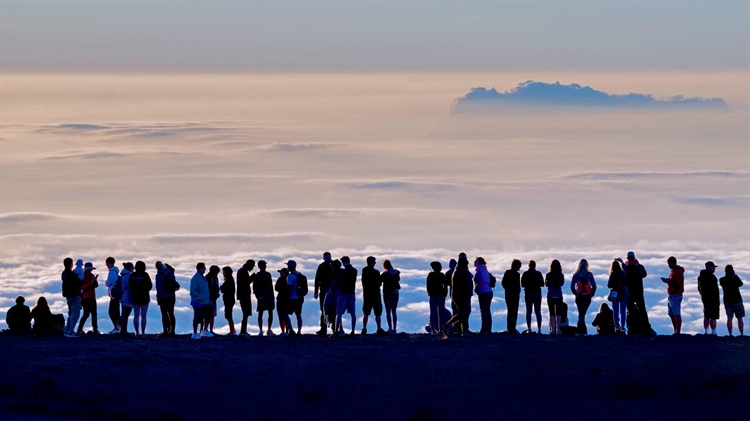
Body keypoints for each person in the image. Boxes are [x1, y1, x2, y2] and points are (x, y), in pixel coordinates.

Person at [621, 251, 651, 334]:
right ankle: (646, 327)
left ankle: (631, 328)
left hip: (629, 292)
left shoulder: (625, 268)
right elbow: (644, 274)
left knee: (630, 310)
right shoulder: (639, 267)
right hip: (638, 291)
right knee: (642, 309)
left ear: (627, 258)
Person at [446, 253, 474, 337]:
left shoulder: (459, 269)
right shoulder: (461, 270)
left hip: (460, 294)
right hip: (461, 295)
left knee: (462, 312)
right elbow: (464, 283)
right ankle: (463, 330)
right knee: (463, 312)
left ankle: (462, 329)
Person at [570, 259, 597, 335]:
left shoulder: (575, 275)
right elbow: (594, 286)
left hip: (579, 297)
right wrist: (591, 294)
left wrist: (576, 293)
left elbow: (572, 286)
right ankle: (583, 331)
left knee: (581, 313)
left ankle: (580, 331)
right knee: (583, 314)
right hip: (587, 297)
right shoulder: (589, 274)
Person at [660, 256, 684, 335]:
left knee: (676, 314)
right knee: (671, 314)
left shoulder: (678, 272)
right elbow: (673, 281)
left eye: (669, 264)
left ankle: (678, 331)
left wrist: (668, 282)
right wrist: (668, 280)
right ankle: (675, 330)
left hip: (676, 295)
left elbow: (678, 285)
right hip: (671, 295)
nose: (668, 266)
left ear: (673, 263)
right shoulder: (673, 271)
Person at [361, 256, 385, 335]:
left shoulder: (364, 270)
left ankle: (364, 328)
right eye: (374, 262)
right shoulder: (376, 272)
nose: (375, 263)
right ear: (371, 262)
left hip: (367, 294)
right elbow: (379, 283)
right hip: (376, 295)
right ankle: (379, 328)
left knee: (366, 313)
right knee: (377, 313)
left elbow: (363, 282)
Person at [129, 261, 153, 337]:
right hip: (144, 297)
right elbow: (150, 285)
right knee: (143, 315)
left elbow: (130, 286)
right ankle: (143, 332)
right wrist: (145, 290)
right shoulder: (145, 275)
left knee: (136, 315)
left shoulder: (133, 275)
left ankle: (137, 332)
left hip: (135, 297)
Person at [335, 256, 358, 336]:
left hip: (343, 293)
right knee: (353, 314)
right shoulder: (354, 271)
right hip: (352, 293)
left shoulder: (342, 272)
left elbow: (338, 281)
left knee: (339, 313)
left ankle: (336, 331)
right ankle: (353, 331)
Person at [720, 264, 744, 336]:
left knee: (729, 318)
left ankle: (730, 334)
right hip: (737, 300)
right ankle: (741, 334)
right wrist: (735, 275)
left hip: (727, 301)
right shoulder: (735, 279)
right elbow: (741, 284)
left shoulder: (722, 280)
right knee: (740, 318)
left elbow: (722, 284)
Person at [155, 261, 179, 337]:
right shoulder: (170, 273)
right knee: (171, 313)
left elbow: (159, 288)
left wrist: (158, 297)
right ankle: (172, 331)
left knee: (164, 314)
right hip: (172, 296)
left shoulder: (159, 275)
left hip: (163, 297)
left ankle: (166, 331)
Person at [61, 257, 82, 337]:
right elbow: (78, 283)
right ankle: (70, 331)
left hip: (68, 295)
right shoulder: (72, 274)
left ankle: (68, 329)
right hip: (74, 295)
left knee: (70, 313)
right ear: (71, 264)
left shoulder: (64, 273)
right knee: (75, 314)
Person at [521, 260, 544, 334]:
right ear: (535, 266)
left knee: (528, 312)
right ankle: (539, 330)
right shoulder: (538, 273)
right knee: (538, 312)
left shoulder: (525, 274)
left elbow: (522, 285)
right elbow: (542, 284)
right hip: (537, 293)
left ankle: (529, 329)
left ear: (529, 266)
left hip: (528, 294)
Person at [698, 261, 721, 335]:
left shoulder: (701, 276)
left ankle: (706, 331)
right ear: (709, 267)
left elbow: (699, 288)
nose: (714, 269)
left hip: (705, 299)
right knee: (713, 316)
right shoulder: (711, 277)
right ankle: (713, 332)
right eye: (713, 267)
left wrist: (703, 295)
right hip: (713, 299)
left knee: (707, 315)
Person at [77, 262, 99, 335]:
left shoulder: (91, 275)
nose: (91, 270)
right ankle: (79, 329)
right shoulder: (82, 277)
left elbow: (95, 286)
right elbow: (82, 287)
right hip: (85, 298)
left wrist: (95, 281)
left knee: (93, 314)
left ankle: (95, 329)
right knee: (86, 314)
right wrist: (91, 283)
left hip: (91, 297)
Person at [190, 263, 211, 339]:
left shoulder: (202, 278)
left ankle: (202, 331)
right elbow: (193, 291)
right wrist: (200, 297)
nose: (205, 269)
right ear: (199, 268)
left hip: (204, 301)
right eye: (203, 268)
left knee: (204, 317)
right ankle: (195, 332)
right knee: (197, 317)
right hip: (198, 302)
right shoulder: (195, 278)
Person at [254, 260, 275, 336]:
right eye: (263, 265)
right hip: (262, 297)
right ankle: (261, 330)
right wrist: (258, 296)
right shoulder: (258, 276)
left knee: (269, 313)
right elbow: (255, 287)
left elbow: (270, 286)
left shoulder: (268, 275)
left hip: (268, 296)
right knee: (261, 313)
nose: (264, 267)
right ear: (259, 266)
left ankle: (268, 329)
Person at [314, 252, 333, 335]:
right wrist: (316, 291)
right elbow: (317, 279)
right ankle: (323, 328)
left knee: (333, 310)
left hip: (332, 291)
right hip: (324, 290)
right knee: (323, 310)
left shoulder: (334, 265)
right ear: (324, 258)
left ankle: (334, 328)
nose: (328, 258)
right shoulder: (321, 266)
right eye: (326, 257)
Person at [426, 261, 448, 334]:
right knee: (441, 312)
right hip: (441, 295)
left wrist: (429, 293)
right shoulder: (442, 275)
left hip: (433, 296)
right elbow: (445, 285)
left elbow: (428, 285)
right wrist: (445, 294)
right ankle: (440, 328)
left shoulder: (430, 275)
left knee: (433, 312)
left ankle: (433, 328)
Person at [501, 259, 522, 334]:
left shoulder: (507, 272)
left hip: (508, 294)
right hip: (515, 295)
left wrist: (507, 289)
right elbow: (518, 286)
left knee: (510, 311)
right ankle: (512, 328)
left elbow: (503, 283)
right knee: (514, 311)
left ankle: (510, 328)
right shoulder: (517, 275)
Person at [381, 260, 401, 334]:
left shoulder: (384, 274)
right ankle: (394, 328)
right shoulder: (396, 273)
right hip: (395, 293)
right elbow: (398, 280)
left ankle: (390, 328)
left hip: (387, 293)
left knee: (388, 311)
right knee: (394, 311)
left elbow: (380, 281)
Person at [607, 260, 628, 333]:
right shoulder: (623, 273)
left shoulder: (612, 275)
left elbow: (609, 285)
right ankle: (623, 326)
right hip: (624, 293)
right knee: (623, 310)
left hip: (615, 295)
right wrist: (622, 263)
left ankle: (617, 326)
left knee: (615, 311)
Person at [474, 257, 493, 334]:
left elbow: (481, 281)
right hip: (489, 291)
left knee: (483, 311)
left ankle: (484, 329)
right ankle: (488, 329)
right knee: (487, 311)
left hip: (483, 292)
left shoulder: (479, 271)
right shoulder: (485, 270)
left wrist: (478, 286)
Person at [545, 260, 565, 335]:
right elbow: (562, 284)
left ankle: (553, 329)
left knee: (552, 313)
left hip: (550, 295)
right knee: (559, 313)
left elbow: (546, 284)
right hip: (559, 295)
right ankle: (558, 329)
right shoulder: (561, 275)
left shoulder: (548, 275)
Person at [286, 260, 305, 335]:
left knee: (284, 313)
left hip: (292, 298)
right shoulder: (299, 274)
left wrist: (287, 298)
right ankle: (299, 331)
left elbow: (289, 287)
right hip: (300, 297)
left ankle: (291, 329)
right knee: (298, 314)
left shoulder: (290, 276)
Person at [236, 260, 255, 337]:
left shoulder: (242, 271)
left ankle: (243, 331)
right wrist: (252, 278)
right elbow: (245, 282)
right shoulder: (243, 271)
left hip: (243, 295)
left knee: (246, 314)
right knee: (245, 313)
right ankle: (243, 331)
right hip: (244, 295)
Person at [324, 260, 342, 332]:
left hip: (333, 293)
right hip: (337, 293)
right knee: (336, 311)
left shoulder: (333, 274)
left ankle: (336, 328)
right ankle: (337, 328)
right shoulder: (341, 273)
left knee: (330, 308)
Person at [104, 257, 121, 334]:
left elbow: (108, 283)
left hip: (113, 294)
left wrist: (105, 282)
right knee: (116, 312)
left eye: (108, 263)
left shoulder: (111, 272)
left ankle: (117, 327)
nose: (107, 265)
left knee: (111, 312)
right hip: (117, 294)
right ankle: (119, 328)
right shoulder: (116, 272)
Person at [220, 266, 237, 336]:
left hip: (228, 299)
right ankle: (233, 329)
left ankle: (232, 330)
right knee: (229, 314)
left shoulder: (228, 280)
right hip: (230, 299)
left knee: (228, 314)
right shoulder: (229, 279)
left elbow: (223, 288)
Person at [275, 268, 292, 336]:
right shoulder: (280, 279)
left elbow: (278, 288)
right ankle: (283, 331)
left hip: (285, 299)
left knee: (284, 315)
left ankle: (287, 330)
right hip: (281, 299)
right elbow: (276, 288)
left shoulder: (287, 280)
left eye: (282, 272)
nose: (280, 274)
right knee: (281, 316)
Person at [118, 262, 134, 336]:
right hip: (127, 297)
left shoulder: (123, 276)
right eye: (132, 267)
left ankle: (122, 330)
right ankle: (123, 330)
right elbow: (130, 287)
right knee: (125, 314)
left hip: (123, 297)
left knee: (124, 313)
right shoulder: (128, 276)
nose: (133, 268)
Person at [205, 265, 221, 335]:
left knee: (212, 315)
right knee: (208, 315)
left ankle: (210, 329)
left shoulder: (214, 278)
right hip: (209, 298)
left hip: (213, 298)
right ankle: (205, 329)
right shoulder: (208, 278)